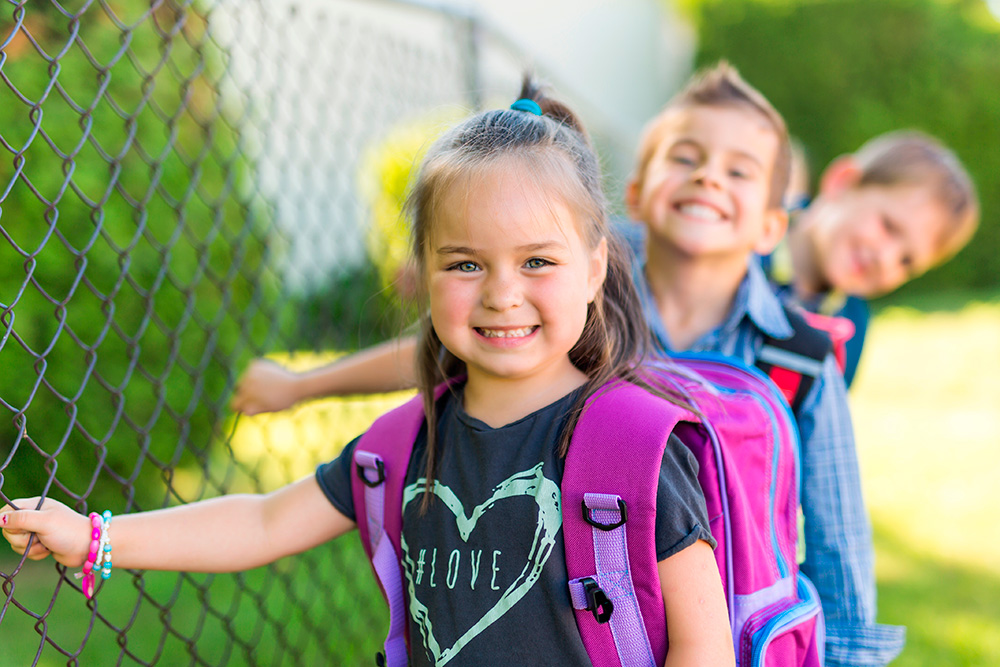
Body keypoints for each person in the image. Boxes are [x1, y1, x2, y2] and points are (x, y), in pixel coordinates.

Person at [2, 80, 735, 667]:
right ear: (422, 272)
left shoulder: (634, 447)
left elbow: (705, 644)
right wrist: (96, 535)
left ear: (594, 268)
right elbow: (261, 520)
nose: (502, 292)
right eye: (466, 263)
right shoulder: (402, 444)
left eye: (537, 261)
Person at [230, 62, 905, 667]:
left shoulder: (797, 354)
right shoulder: (570, 302)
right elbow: (445, 356)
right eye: (687, 157)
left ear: (770, 225)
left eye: (738, 171)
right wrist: (304, 385)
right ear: (632, 197)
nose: (707, 177)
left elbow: (839, 537)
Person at [763, 130, 979, 386]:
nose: (886, 259)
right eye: (888, 226)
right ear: (842, 182)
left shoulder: (851, 327)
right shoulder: (744, 243)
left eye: (906, 262)